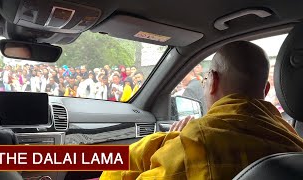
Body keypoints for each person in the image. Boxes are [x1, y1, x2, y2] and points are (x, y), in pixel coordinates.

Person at [100, 41, 303, 179]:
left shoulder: (196, 142)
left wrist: (168, 146)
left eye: (205, 80)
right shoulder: (295, 145)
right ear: (266, 90)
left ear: (213, 81)